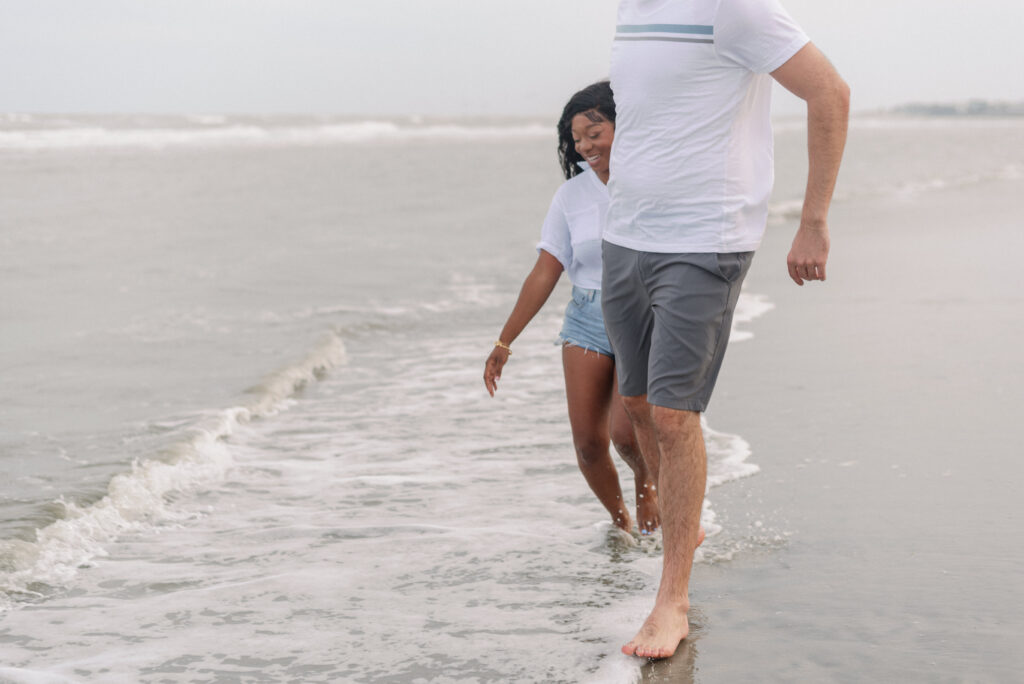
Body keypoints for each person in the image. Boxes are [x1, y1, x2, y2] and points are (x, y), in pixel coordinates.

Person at [602, 0, 850, 659]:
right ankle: (690, 523)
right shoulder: (630, 9)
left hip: (705, 239)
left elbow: (830, 91)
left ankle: (672, 599)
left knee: (673, 416)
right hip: (624, 235)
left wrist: (814, 220)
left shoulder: (733, 8)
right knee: (635, 403)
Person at [483, 82, 660, 536]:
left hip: (645, 316)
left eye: (594, 132)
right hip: (586, 317)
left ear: (624, 127)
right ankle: (621, 526)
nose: (584, 145)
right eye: (576, 138)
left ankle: (648, 482)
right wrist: (505, 340)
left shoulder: (653, 182)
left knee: (626, 432)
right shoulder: (571, 196)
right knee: (587, 444)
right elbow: (546, 270)